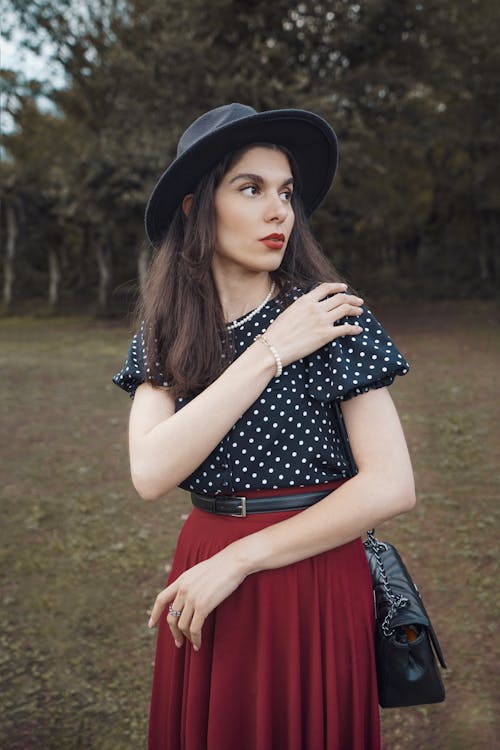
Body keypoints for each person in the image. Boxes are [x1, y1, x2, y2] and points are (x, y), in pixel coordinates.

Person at [113, 103, 416, 750]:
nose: (278, 210)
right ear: (197, 207)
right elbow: (150, 472)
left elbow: (391, 484)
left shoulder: (332, 315)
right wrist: (269, 352)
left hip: (310, 573)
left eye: (285, 192)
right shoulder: (165, 335)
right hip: (205, 570)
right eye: (250, 189)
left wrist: (240, 560)